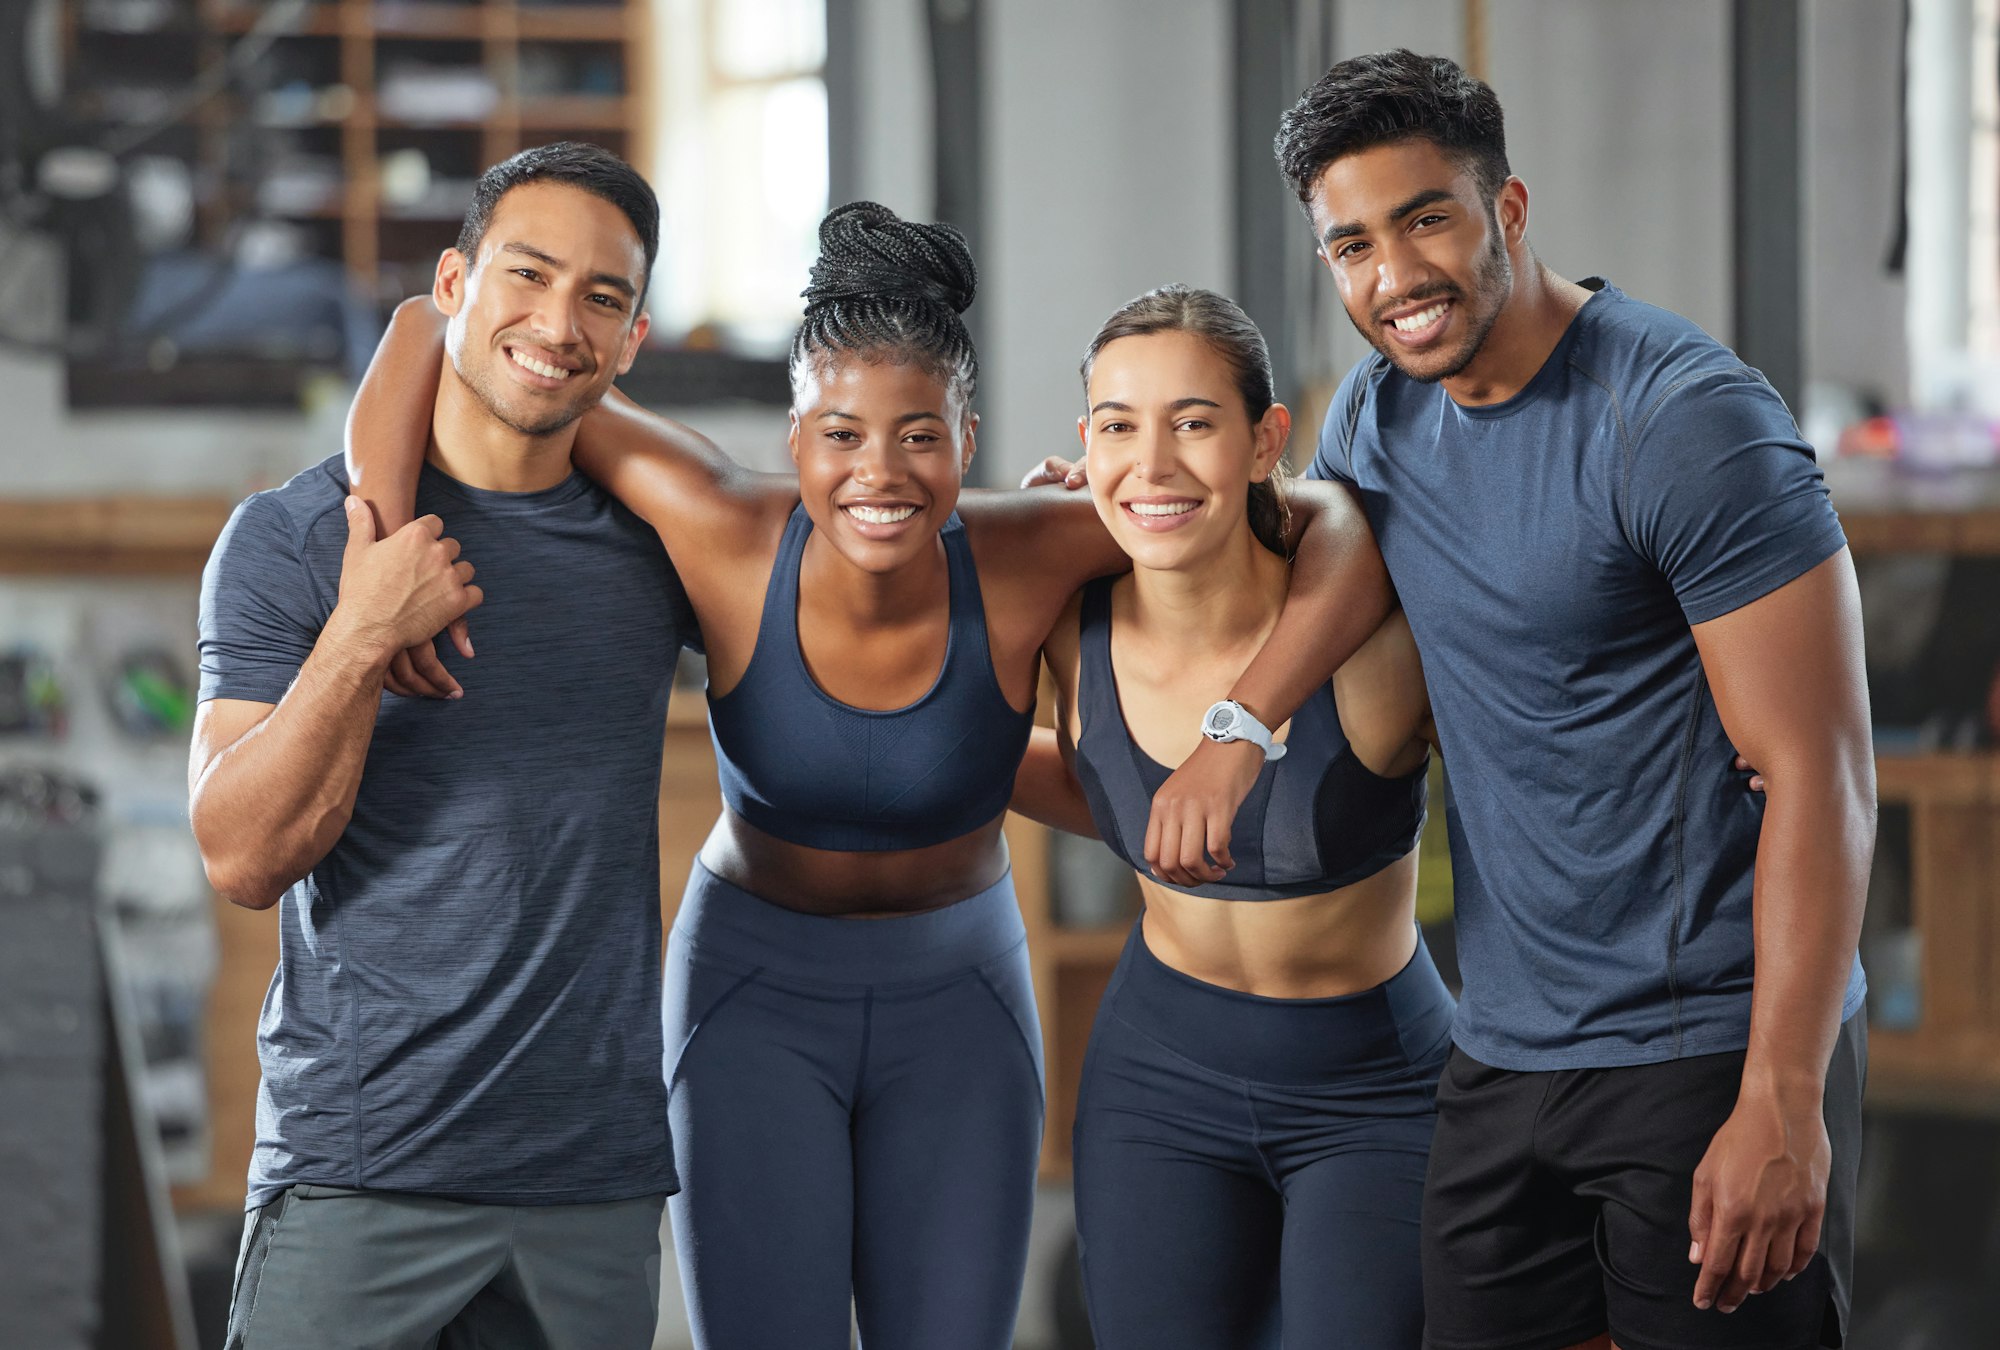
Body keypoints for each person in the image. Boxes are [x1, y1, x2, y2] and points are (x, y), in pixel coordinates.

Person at [346, 202, 1394, 1350]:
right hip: (750, 996)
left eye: (918, 437)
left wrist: (1236, 730)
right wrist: (380, 546)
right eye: (839, 436)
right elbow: (423, 329)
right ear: (793, 439)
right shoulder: (718, 524)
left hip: (959, 1005)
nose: (878, 474)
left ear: (968, 439)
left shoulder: (1041, 539)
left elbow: (1335, 525)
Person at [1277, 50, 1871, 1350]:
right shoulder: (1377, 422)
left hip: (1708, 1042)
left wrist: (1783, 1087)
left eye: (1426, 218)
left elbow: (1820, 772)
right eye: (1351, 246)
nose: (1394, 278)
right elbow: (1274, 591)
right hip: (1502, 1049)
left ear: (1510, 208)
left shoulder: (1683, 417)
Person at [191, 142, 696, 1348]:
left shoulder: (659, 548)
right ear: (455, 285)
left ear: (630, 343)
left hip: (590, 1181)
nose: (558, 322)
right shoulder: (297, 539)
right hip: (360, 1169)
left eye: (602, 298)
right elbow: (241, 856)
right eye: (527, 274)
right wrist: (360, 634)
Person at [1008, 284, 1450, 1349]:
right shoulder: (1070, 622)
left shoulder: (1374, 644)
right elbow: (1099, 789)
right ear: (1083, 443)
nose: (1151, 463)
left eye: (1192, 424)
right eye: (1118, 427)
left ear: (1264, 442)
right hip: (1158, 1074)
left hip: (1373, 1091)